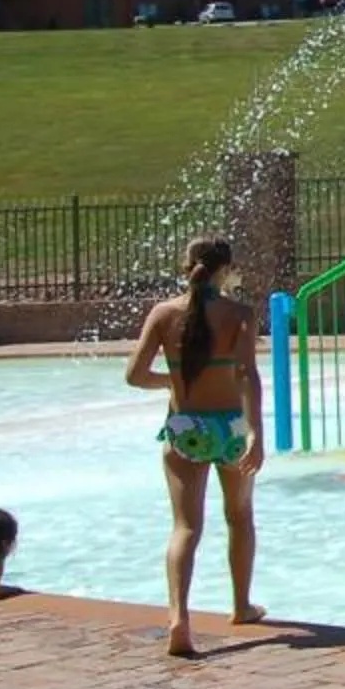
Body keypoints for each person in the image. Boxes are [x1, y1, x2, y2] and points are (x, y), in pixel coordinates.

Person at [122, 236, 266, 659]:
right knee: (239, 517)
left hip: (184, 426)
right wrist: (256, 432)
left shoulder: (165, 314)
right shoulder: (239, 314)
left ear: (186, 267)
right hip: (231, 428)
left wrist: (174, 381)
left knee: (185, 527)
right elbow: (247, 375)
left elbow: (135, 375)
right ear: (225, 269)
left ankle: (178, 618)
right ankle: (241, 606)